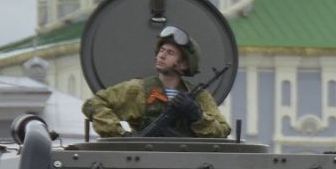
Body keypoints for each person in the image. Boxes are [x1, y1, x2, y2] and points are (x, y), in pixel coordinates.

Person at [82, 25, 230, 138]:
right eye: (161, 51)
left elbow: (223, 130)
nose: (161, 56)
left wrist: (197, 116)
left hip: (190, 163)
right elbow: (93, 104)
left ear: (184, 64)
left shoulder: (199, 96)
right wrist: (121, 136)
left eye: (170, 53)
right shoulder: (137, 89)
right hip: (144, 163)